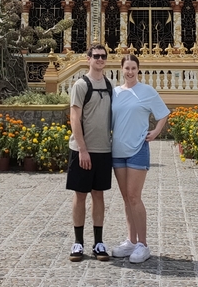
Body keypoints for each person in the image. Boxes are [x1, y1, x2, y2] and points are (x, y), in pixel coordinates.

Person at [110, 53, 170, 264]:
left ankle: (143, 244)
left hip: (137, 148)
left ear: (138, 70)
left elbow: (163, 114)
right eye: (127, 68)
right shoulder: (115, 92)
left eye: (133, 68)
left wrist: (155, 132)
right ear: (121, 69)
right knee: (126, 198)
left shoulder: (147, 91)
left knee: (135, 197)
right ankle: (131, 241)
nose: (130, 72)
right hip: (117, 150)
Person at [66, 44, 114, 262]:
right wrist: (82, 149)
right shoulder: (80, 85)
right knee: (80, 194)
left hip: (103, 149)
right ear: (88, 59)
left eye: (103, 56)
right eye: (96, 56)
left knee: (99, 194)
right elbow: (74, 117)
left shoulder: (109, 85)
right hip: (82, 151)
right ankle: (78, 242)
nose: (100, 59)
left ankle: (98, 241)